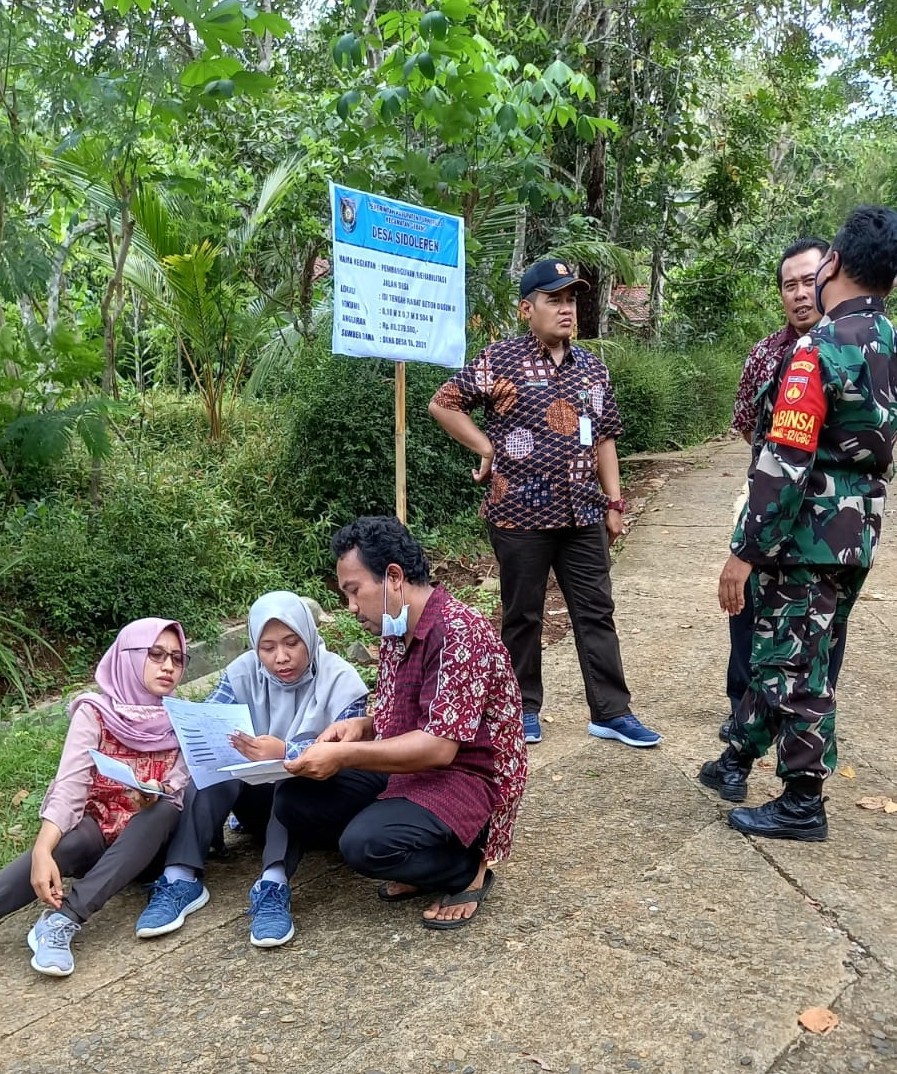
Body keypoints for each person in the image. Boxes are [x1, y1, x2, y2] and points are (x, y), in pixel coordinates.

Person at [700, 205, 897, 841]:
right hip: (856, 534)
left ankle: (802, 802)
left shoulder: (818, 348)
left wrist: (745, 551)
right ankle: (737, 755)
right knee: (789, 655)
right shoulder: (886, 341)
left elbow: (784, 460)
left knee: (794, 668)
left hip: (806, 537)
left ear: (834, 264)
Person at [428, 258, 660, 749]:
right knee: (523, 614)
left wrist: (615, 501)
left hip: (582, 511)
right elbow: (443, 402)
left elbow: (605, 439)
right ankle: (521, 709)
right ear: (525, 308)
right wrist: (485, 447)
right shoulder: (499, 360)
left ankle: (611, 712)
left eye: (571, 299)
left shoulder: (592, 369)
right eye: (554, 299)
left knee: (596, 610)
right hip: (519, 514)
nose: (566, 308)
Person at [272, 517, 527, 931]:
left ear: (393, 577)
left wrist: (345, 754)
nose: (351, 607)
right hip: (413, 766)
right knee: (294, 800)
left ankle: (464, 868)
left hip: (468, 774)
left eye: (354, 592)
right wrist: (363, 728)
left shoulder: (459, 632)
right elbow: (405, 714)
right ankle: (413, 859)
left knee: (365, 844)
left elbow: (439, 746)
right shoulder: (395, 630)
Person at [135, 592, 368, 947]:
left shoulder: (341, 680)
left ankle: (273, 885)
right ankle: (180, 877)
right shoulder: (244, 671)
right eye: (268, 647)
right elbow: (208, 721)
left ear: (309, 635)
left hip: (314, 807)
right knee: (212, 765)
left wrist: (285, 751)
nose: (281, 658)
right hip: (255, 803)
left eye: (292, 643)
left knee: (293, 783)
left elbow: (347, 755)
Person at [0, 618, 190, 977]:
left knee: (163, 810)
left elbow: (178, 787)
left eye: (178, 659)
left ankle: (64, 919)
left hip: (154, 846)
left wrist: (154, 793)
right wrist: (42, 851)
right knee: (65, 847)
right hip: (101, 832)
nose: (168, 666)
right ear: (128, 657)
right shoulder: (95, 712)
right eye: (156, 654)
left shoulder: (182, 717)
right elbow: (70, 786)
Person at [720, 237, 846, 741]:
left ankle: (807, 725)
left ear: (829, 281)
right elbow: (745, 425)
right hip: (764, 507)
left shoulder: (851, 349)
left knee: (820, 630)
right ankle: (743, 718)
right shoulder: (766, 354)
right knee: (745, 615)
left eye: (808, 281)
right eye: (789, 284)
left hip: (824, 523)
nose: (799, 294)